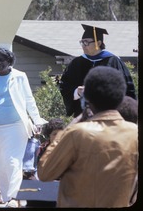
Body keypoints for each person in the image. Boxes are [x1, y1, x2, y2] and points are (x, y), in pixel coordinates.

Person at [38, 66, 138, 207]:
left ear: (88, 99)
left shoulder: (77, 133)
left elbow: (45, 172)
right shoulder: (134, 132)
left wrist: (67, 130)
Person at [0, 48, 47, 208]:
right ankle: (8, 198)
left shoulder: (20, 77)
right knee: (1, 163)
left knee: (13, 162)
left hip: (17, 126)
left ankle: (13, 197)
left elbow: (29, 100)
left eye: (3, 60)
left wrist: (37, 120)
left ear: (10, 61)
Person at [59, 24, 136, 117]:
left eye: (86, 42)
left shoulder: (114, 61)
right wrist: (76, 92)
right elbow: (64, 86)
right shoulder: (77, 63)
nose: (83, 46)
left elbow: (127, 90)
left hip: (109, 116)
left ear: (98, 43)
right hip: (83, 117)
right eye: (82, 42)